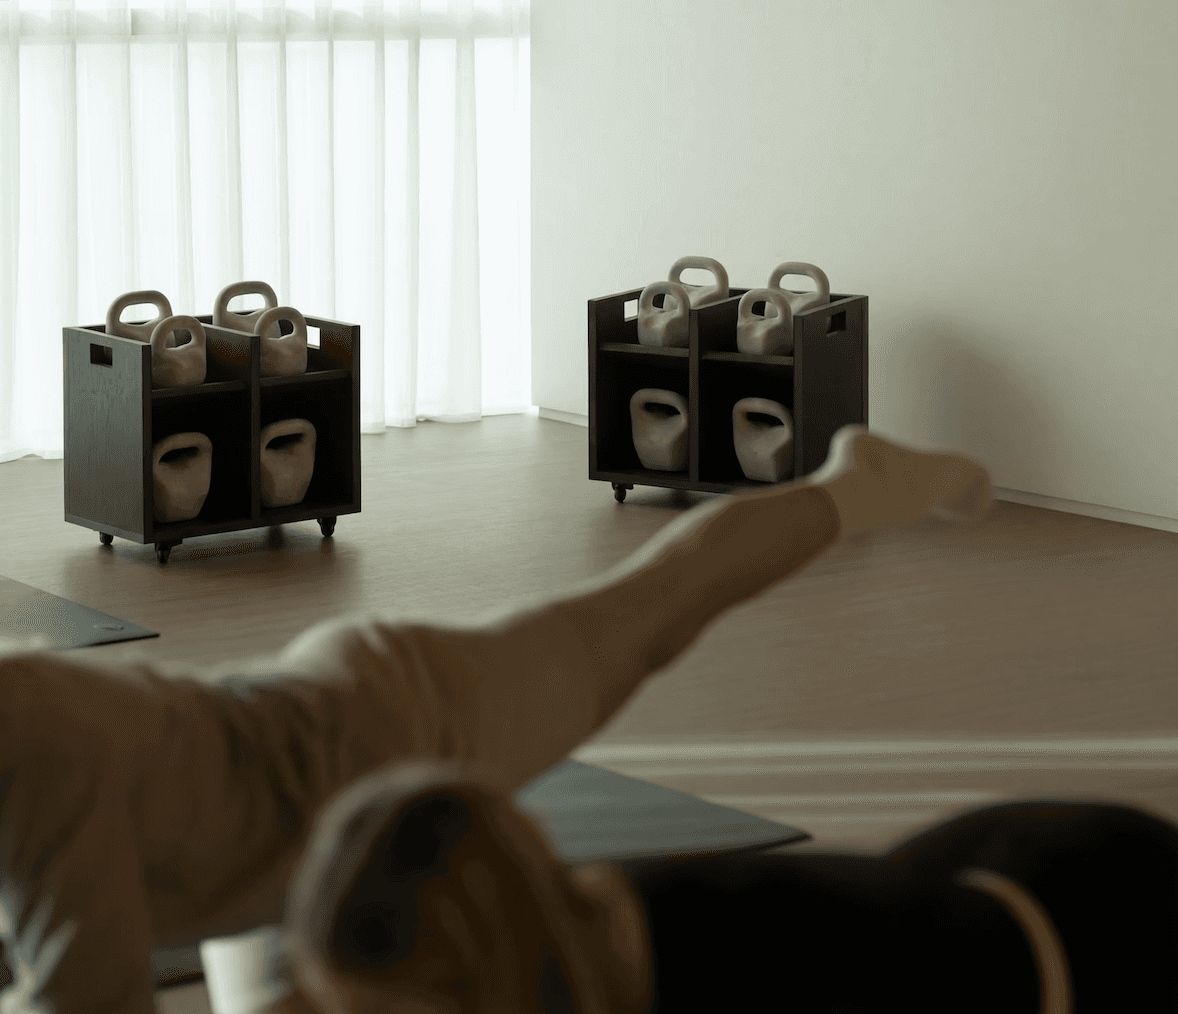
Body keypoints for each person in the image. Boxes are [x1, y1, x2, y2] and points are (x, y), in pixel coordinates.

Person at [0, 424, 997, 1013]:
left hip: (389, 721)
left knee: (651, 613)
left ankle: (855, 485)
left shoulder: (40, 766)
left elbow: (89, 997)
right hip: (258, 860)